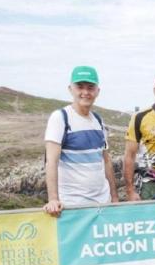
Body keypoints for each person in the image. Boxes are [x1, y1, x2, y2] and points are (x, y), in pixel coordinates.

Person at [43, 65, 118, 217]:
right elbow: (51, 162)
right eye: (80, 87)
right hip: (73, 206)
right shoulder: (60, 118)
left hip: (103, 203)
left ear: (97, 91)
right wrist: (53, 199)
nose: (85, 92)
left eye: (90, 87)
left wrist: (115, 197)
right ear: (71, 89)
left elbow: (106, 161)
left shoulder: (98, 120)